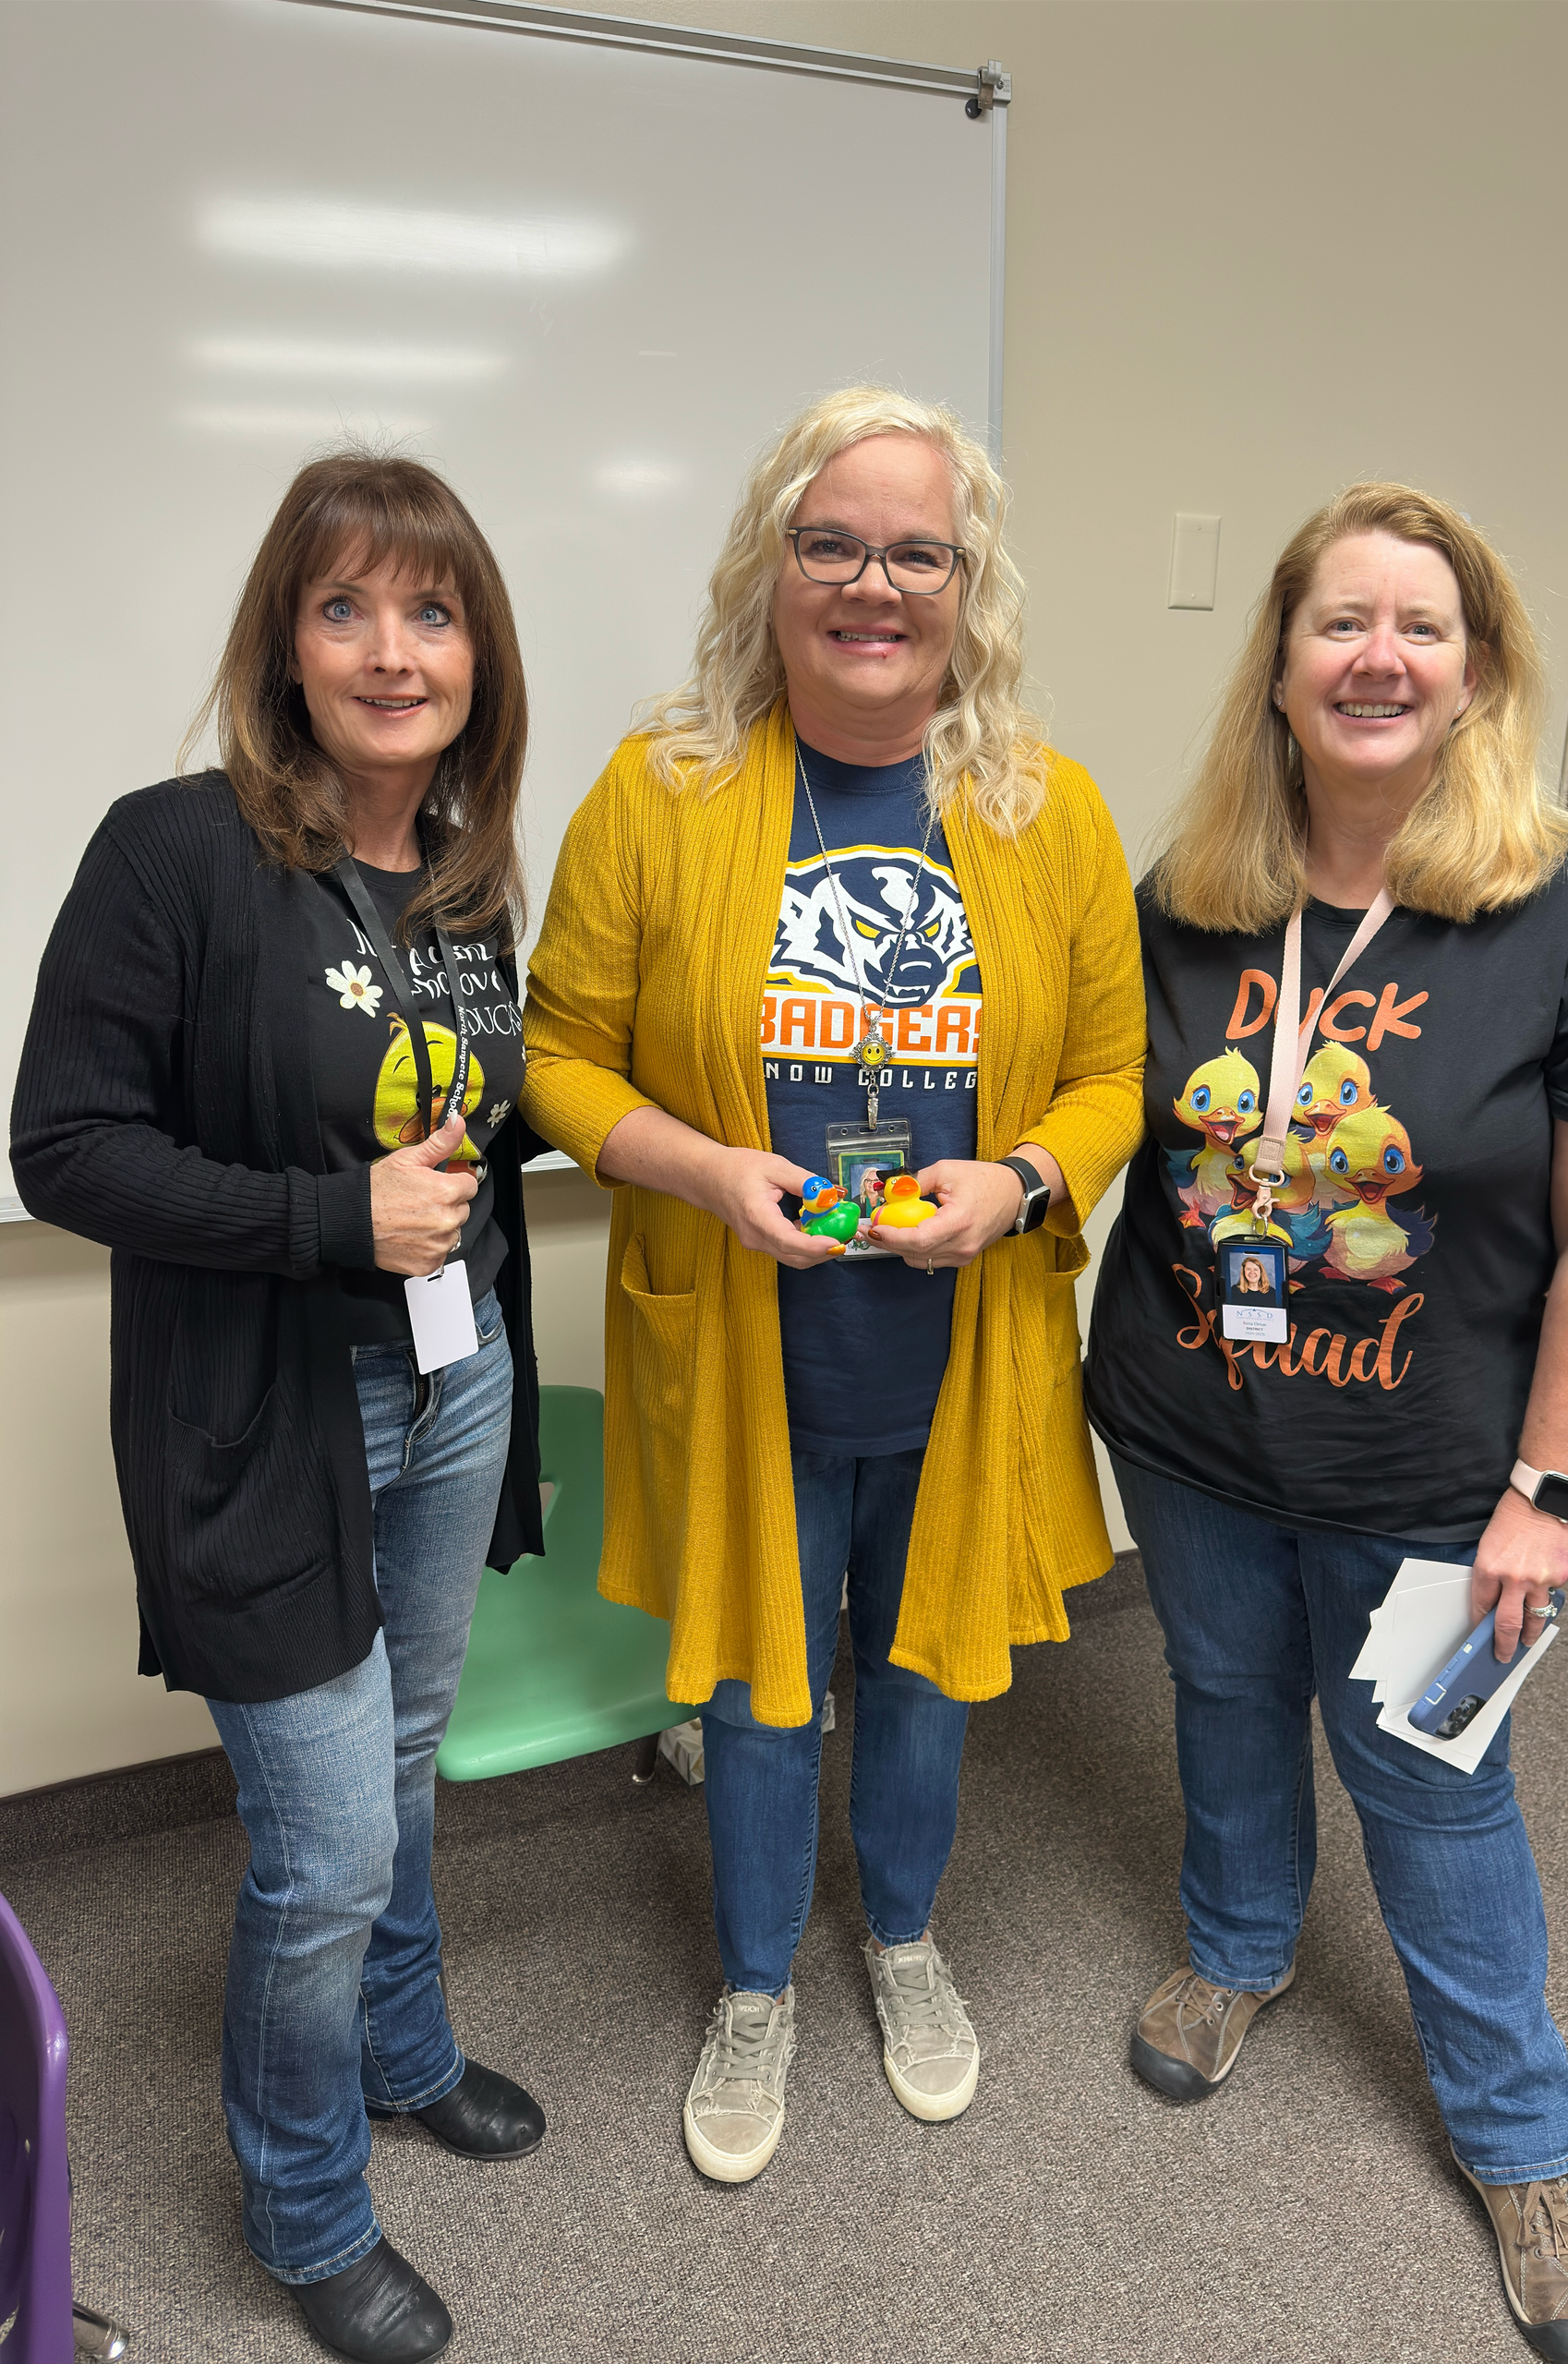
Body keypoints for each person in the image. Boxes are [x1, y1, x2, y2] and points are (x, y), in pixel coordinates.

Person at [1085, 483, 1568, 2364]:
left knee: (1436, 1784)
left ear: (1476, 671)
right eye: (1336, 622)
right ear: (1277, 671)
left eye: (1418, 626)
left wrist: (1551, 1493)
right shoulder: (1192, 893)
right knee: (1219, 1695)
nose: (1376, 654)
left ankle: (1525, 2146)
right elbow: (1114, 1115)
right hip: (1193, 1427)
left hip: (1448, 1478)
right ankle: (1241, 1947)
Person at [523, 386, 1143, 2184]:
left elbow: (1111, 1073)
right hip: (746, 1341)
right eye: (834, 541)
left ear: (969, 583)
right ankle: (754, 1984)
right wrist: (706, 1170)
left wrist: (1020, 1175)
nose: (876, 581)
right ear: (774, 565)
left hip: (958, 1342)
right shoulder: (664, 788)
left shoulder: (1051, 808)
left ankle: (902, 1942)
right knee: (759, 1690)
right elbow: (560, 1056)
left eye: (917, 549)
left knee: (931, 1670)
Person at [11, 454, 548, 2364]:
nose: (392, 650)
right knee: (318, 1844)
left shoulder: (472, 872)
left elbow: (482, 1114)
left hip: (450, 1384)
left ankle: (404, 2052)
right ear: (284, 641)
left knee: (405, 1762)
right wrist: (336, 1215)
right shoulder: (173, 850)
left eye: (432, 609)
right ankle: (306, 2200)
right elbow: (62, 1145)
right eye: (346, 607)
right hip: (261, 1416)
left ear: (481, 649)